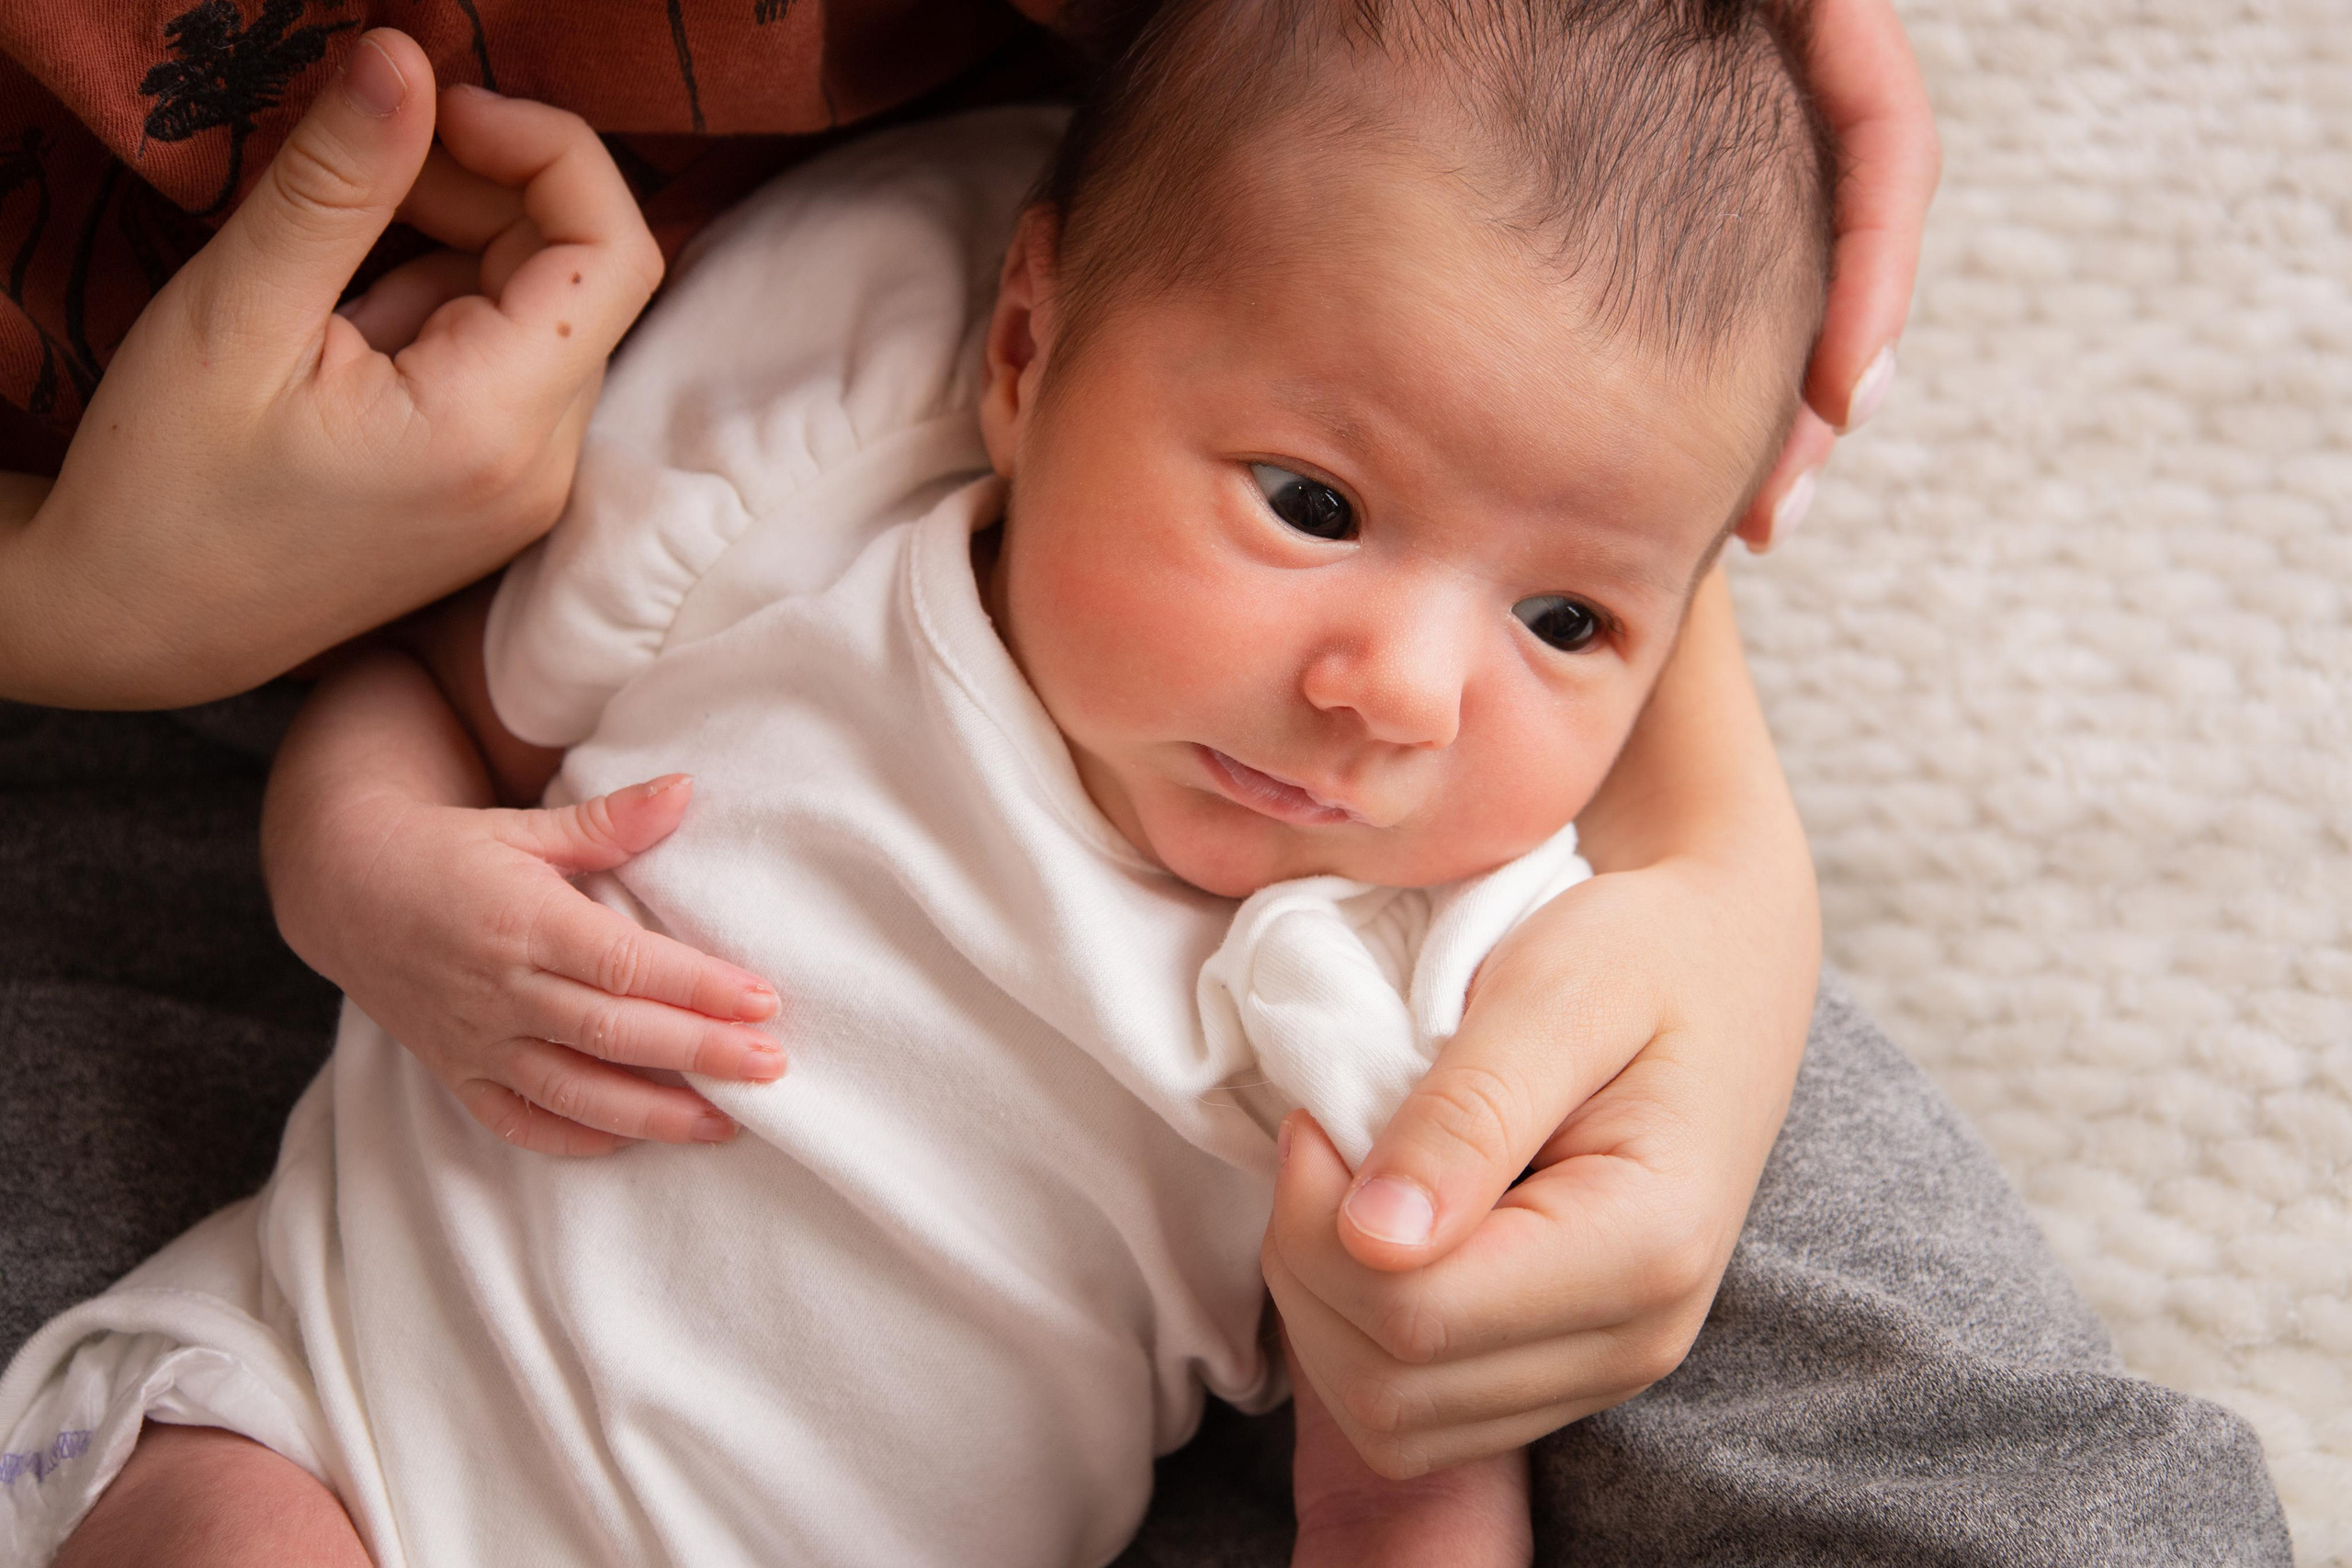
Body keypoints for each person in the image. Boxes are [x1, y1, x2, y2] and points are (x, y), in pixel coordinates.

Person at [0, 2, 2293, 1565]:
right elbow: (425, 703)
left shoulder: (1432, 968)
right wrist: (370, 873)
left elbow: (1404, 1465)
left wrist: (1715, 869)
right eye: (1309, 503)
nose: (1398, 692)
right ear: (1020, 352)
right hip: (325, 1423)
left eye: (1564, 621)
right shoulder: (794, 510)